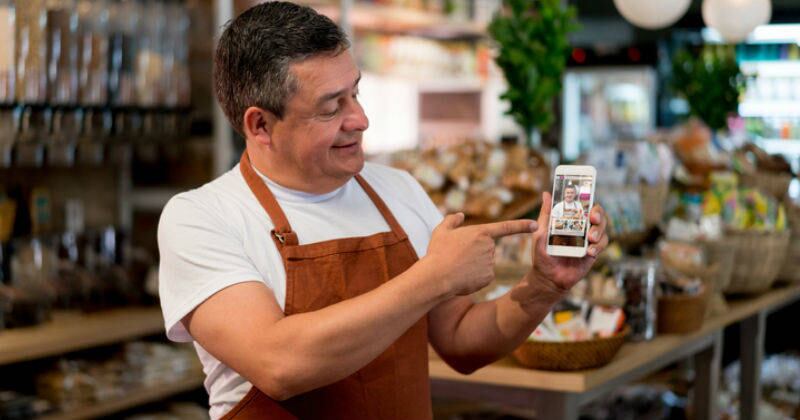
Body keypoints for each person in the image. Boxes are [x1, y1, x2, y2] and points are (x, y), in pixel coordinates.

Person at [157, 2, 609, 419]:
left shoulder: (398, 191)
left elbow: (461, 341)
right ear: (261, 125)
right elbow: (280, 364)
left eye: (355, 94)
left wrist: (542, 286)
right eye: (332, 107)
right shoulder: (203, 218)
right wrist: (434, 277)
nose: (359, 119)